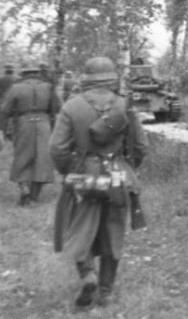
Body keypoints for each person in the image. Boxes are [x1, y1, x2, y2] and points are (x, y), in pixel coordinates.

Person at [50, 56, 147, 308]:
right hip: (118, 176)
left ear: (86, 78)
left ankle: (87, 275)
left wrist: (69, 171)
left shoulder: (72, 106)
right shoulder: (125, 105)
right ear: (113, 77)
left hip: (84, 174)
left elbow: (57, 148)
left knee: (80, 227)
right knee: (114, 232)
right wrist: (127, 169)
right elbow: (139, 146)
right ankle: (105, 292)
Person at [0, 62, 60, 205]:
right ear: (38, 72)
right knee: (42, 160)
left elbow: (4, 109)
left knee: (22, 157)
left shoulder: (16, 88)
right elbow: (57, 107)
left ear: (24, 73)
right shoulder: (48, 87)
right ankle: (34, 197)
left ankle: (25, 190)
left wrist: (3, 129)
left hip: (23, 123)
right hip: (44, 124)